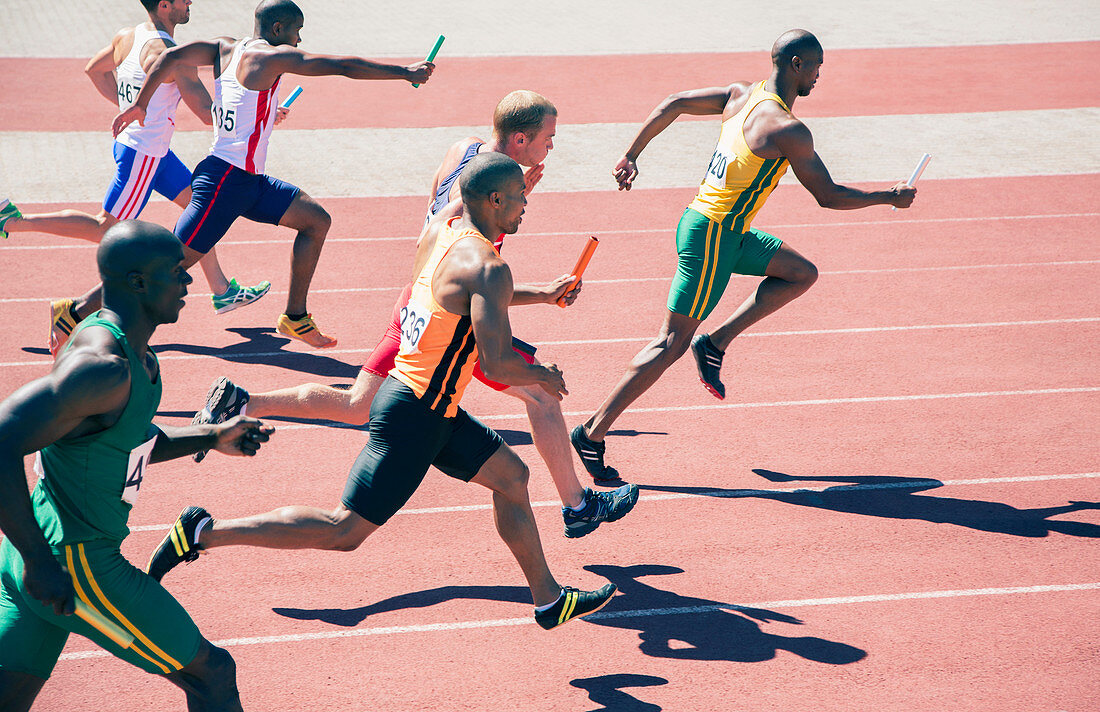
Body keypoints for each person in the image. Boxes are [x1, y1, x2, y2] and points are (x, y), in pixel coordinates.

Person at [145, 153, 618, 630]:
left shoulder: (444, 232)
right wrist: (542, 376)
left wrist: (541, 293)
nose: (524, 205)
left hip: (426, 403)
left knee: (512, 477)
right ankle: (202, 533)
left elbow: (470, 293)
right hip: (416, 416)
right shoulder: (489, 266)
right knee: (343, 531)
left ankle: (548, 599)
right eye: (519, 197)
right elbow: (496, 361)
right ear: (495, 200)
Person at [190, 91, 638, 538]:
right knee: (541, 393)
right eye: (548, 137)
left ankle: (240, 402)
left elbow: (435, 228)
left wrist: (539, 290)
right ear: (520, 141)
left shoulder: (463, 150)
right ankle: (577, 505)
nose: (551, 147)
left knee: (357, 404)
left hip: (418, 298)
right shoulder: (483, 204)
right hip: (446, 321)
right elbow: (459, 250)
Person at [570, 30, 918, 480]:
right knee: (669, 343)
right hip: (713, 237)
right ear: (795, 64)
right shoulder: (787, 128)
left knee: (800, 273)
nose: (819, 75)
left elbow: (673, 102)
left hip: (723, 230)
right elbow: (827, 196)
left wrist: (632, 154)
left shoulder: (740, 95)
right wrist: (887, 197)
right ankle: (592, 432)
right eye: (817, 66)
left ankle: (714, 343)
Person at [0, 220, 274, 712]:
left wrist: (211, 436)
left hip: (38, 552)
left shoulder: (134, 353)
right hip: (74, 563)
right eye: (178, 271)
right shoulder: (102, 366)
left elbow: (121, 439)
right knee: (211, 673)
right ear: (139, 283)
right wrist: (42, 562)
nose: (190, 281)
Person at [111, 0, 435, 349]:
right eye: (296, 33)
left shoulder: (224, 48)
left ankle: (295, 317)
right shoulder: (271, 58)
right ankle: (84, 312)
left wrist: (142, 101)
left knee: (315, 221)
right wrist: (405, 72)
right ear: (278, 29)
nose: (298, 42)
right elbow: (341, 66)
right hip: (222, 183)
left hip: (249, 182)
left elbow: (169, 58)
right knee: (167, 268)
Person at [0, 0, 271, 356]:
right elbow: (209, 115)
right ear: (164, 5)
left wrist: (128, 109)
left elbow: (93, 70)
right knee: (105, 229)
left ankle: (221, 290)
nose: (191, 2)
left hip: (147, 150)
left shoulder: (127, 36)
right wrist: (263, 107)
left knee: (199, 208)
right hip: (144, 154)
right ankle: (14, 222)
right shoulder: (173, 55)